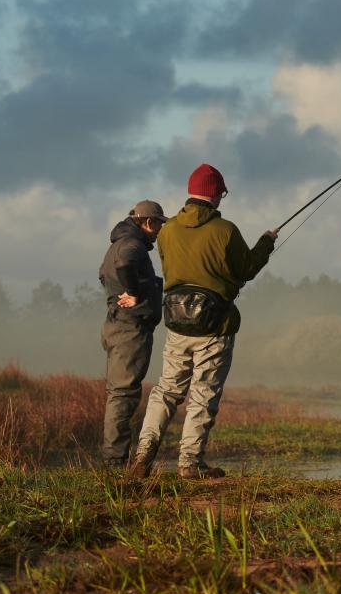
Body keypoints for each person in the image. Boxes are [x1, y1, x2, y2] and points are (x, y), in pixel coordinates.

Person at [128, 164, 279, 479]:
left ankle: (142, 456)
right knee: (203, 392)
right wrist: (266, 242)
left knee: (167, 390)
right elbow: (246, 270)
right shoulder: (225, 231)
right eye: (222, 193)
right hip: (215, 326)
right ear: (215, 194)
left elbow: (172, 273)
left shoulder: (167, 231)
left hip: (176, 323)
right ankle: (189, 464)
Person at [98, 200, 167, 468]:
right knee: (123, 394)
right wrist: (136, 293)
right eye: (159, 223)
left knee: (120, 392)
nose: (160, 229)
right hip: (129, 330)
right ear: (148, 222)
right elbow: (126, 264)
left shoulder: (117, 244)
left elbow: (106, 276)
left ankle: (115, 457)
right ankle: (115, 461)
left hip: (117, 326)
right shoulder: (132, 245)